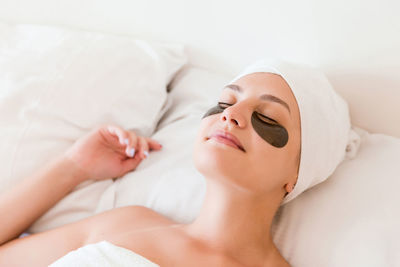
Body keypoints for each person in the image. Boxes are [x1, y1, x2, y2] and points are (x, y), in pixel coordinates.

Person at [0, 59, 353, 266]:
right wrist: (73, 166)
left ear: (297, 172)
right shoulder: (128, 223)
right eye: (225, 101)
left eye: (268, 117)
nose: (231, 115)